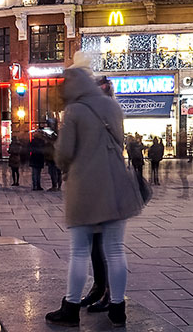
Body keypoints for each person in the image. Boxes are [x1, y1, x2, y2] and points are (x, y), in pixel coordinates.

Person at [44, 66, 142, 327]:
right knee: (115, 249)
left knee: (78, 251)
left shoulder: (74, 110)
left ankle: (71, 307)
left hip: (85, 187)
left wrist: (63, 165)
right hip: (115, 185)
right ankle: (118, 307)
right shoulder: (112, 106)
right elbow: (119, 141)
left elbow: (64, 153)